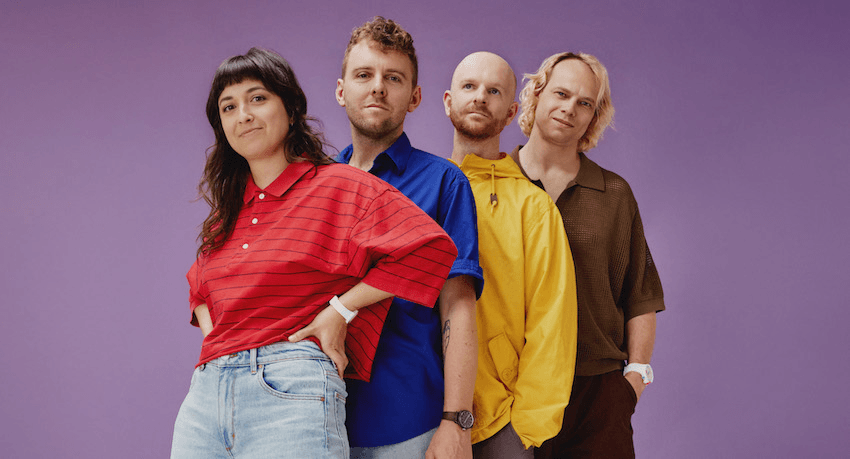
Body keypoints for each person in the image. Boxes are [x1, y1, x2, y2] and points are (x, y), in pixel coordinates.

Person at [170, 47, 458, 459]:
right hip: (206, 397)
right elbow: (198, 287)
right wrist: (221, 343)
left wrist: (340, 311)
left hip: (291, 387)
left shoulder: (341, 185)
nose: (243, 115)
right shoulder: (227, 214)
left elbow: (431, 248)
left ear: (290, 110)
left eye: (257, 98)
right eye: (228, 107)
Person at [335, 17, 484, 459]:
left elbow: (458, 305)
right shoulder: (317, 184)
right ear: (341, 90)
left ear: (415, 97)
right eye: (364, 75)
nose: (378, 88)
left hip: (408, 425)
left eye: (393, 78)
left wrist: (456, 421)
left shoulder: (445, 182)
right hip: (315, 420)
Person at [510, 52, 666, 459]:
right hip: (509, 388)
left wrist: (633, 380)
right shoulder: (494, 182)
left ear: (594, 116)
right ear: (537, 93)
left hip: (596, 394)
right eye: (561, 94)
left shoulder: (614, 193)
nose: (570, 109)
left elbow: (640, 295)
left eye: (585, 103)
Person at [443, 52, 578, 459]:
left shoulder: (533, 207)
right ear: (448, 101)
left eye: (494, 91)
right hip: (420, 410)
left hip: (501, 421)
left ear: (511, 112)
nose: (480, 97)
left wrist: (526, 428)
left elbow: (552, 321)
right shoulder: (425, 189)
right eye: (469, 86)